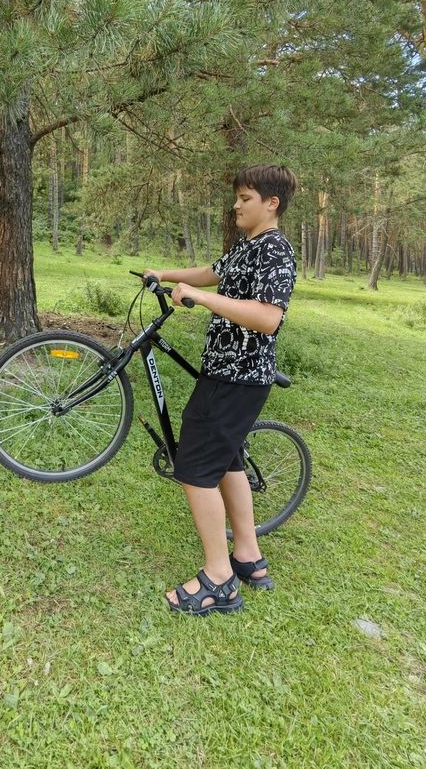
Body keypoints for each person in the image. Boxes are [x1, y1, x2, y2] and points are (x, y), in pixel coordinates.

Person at [145, 164, 297, 617]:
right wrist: (167, 275)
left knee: (194, 468)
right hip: (226, 373)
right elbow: (214, 271)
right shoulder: (249, 246)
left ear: (270, 203)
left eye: (245, 198)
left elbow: (269, 317)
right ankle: (248, 557)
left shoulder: (277, 251)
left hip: (239, 377)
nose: (236, 204)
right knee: (228, 460)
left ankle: (218, 580)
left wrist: (203, 299)